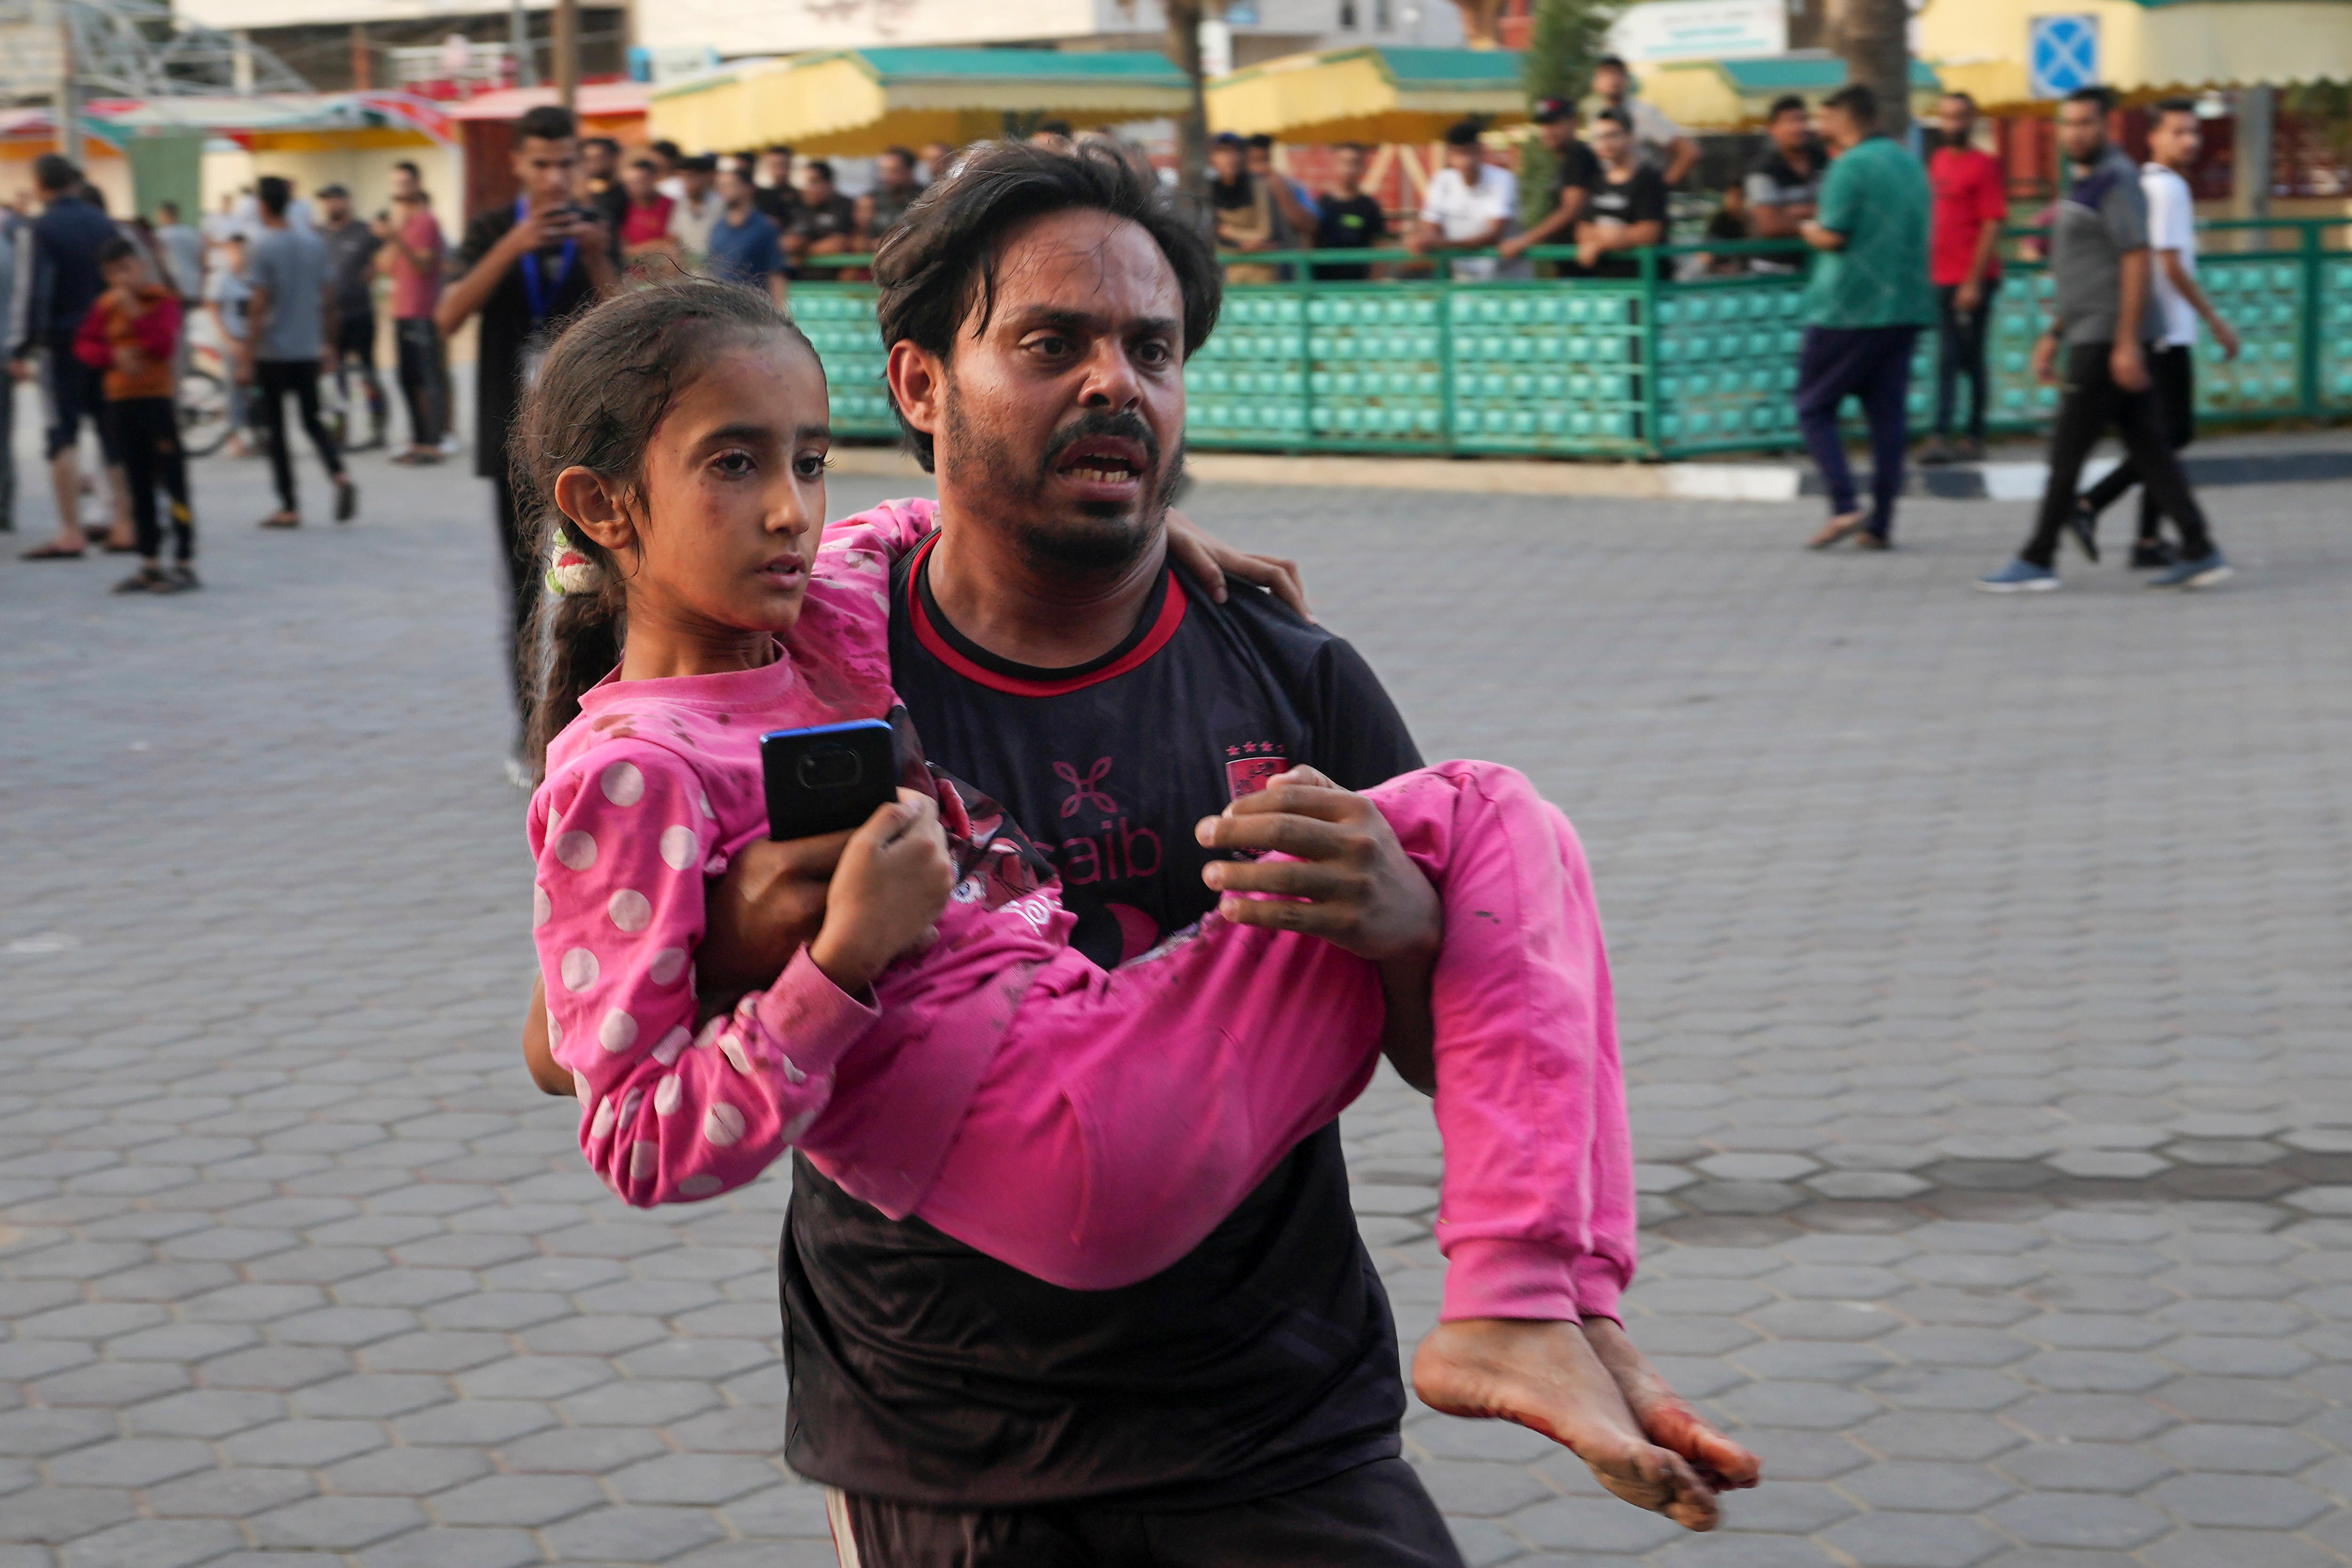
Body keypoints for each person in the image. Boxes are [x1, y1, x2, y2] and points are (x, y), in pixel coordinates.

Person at [517, 144, 1757, 1563]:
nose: (1114, 383)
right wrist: (779, 940)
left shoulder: (1278, 664)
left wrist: (1405, 920)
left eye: (1149, 351)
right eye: (1052, 345)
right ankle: (1527, 1294)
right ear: (921, 388)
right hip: (948, 1439)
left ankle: (1540, 1310)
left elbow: (1460, 1039)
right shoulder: (819, 651)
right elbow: (577, 1044)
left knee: (1482, 832)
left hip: (1273, 1418)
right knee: (1493, 811)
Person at [1978, 87, 2230, 591]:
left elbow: (2136, 259)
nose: (2075, 133)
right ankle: (2198, 546)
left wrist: (2123, 343)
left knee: (2067, 453)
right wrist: (2054, 332)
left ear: (2107, 127)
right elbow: (2085, 271)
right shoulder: (2089, 181)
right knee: (2150, 446)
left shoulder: (2117, 180)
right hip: (2091, 332)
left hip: (2104, 340)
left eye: (2085, 123)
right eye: (2067, 124)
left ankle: (2037, 555)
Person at [436, 102, 620, 776]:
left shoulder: (594, 229)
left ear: (582, 163)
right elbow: (448, 314)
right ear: (518, 165)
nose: (554, 178)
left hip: (586, 440)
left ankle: (591, 724)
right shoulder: (491, 229)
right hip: (509, 439)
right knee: (521, 593)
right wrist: (510, 249)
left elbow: (628, 320)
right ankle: (529, 734)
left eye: (566, 163)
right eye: (540, 164)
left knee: (596, 586)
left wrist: (599, 258)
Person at [2069, 97, 2241, 569]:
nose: (2188, 141)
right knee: (2169, 437)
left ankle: (2146, 541)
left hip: (2154, 330)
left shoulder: (2144, 184)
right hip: (2168, 331)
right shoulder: (2168, 190)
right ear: (2153, 137)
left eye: (2193, 133)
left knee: (2159, 437)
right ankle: (2090, 504)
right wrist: (2214, 318)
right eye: (2177, 132)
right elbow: (2168, 262)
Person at [1794, 84, 1932, 551]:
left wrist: (1807, 230)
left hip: (1847, 309)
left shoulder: (1848, 165)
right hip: (1905, 307)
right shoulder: (1907, 162)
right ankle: (1881, 525)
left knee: (1813, 407)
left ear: (1843, 117)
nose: (1818, 125)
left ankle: (1843, 504)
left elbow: (1833, 235)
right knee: (1886, 418)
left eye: (1823, 115)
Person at [10, 153, 127, 561]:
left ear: (41, 185)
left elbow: (32, 289)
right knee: (111, 431)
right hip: (106, 342)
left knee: (63, 434)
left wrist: (21, 346)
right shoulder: (102, 222)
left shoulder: (39, 229)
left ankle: (71, 530)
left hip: (62, 345)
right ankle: (125, 525)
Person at [75, 237, 193, 593]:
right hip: (120, 402)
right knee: (138, 482)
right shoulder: (104, 306)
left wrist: (137, 314)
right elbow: (85, 343)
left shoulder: (162, 301)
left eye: (127, 268)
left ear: (141, 266)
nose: (122, 279)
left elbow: (163, 344)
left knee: (173, 480)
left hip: (155, 400)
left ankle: (185, 560)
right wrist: (112, 356)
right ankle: (149, 561)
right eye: (113, 273)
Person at [241, 176, 354, 530]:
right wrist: (329, 344)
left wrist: (246, 353)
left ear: (262, 205)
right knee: (311, 420)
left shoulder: (263, 248)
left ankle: (289, 505)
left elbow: (258, 305)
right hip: (307, 349)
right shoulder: (315, 244)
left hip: (273, 353)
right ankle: (339, 475)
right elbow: (330, 301)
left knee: (276, 430)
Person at [1921, 91, 2009, 465]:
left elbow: (1992, 223)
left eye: (1959, 117)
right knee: (1948, 357)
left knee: (1967, 358)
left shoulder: (1984, 165)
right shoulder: (1938, 161)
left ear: (1971, 121)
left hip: (1973, 277)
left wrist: (1973, 281)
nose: (1952, 124)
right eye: (1947, 117)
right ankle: (1944, 433)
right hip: (1941, 276)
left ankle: (1969, 433)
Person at [380, 169, 446, 465]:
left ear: (418, 185)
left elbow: (423, 265)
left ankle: (433, 443)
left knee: (426, 378)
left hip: (423, 311)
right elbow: (384, 266)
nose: (400, 189)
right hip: (402, 310)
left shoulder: (428, 222)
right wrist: (395, 234)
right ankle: (418, 440)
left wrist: (397, 236)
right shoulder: (405, 225)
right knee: (406, 378)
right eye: (396, 184)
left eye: (405, 183)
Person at [317, 184, 386, 452]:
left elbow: (387, 255)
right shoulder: (319, 234)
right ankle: (340, 433)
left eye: (334, 200)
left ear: (346, 202)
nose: (330, 206)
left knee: (369, 373)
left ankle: (377, 427)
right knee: (336, 377)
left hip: (361, 313)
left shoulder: (365, 231)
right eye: (326, 201)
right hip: (332, 317)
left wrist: (377, 270)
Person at [1409, 119, 1523, 280]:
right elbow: (1430, 225)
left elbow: (1494, 234)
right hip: (1463, 282)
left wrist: (1439, 243)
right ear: (1450, 155)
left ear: (1481, 151)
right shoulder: (1442, 181)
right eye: (1460, 153)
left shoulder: (1503, 180)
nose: (1466, 161)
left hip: (1504, 281)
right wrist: (1422, 238)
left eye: (1471, 152)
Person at [1500, 97, 1597, 265]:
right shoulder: (1567, 159)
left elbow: (1571, 210)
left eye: (1554, 123)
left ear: (1573, 123)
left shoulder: (1579, 156)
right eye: (1543, 125)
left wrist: (1523, 241)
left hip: (1585, 264)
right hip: (1572, 261)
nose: (1547, 131)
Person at [1574, 110, 1668, 279]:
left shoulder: (1648, 179)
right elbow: (1583, 229)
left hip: (1644, 284)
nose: (1606, 143)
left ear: (1630, 136)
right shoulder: (1597, 181)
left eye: (1612, 135)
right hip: (1608, 285)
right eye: (1600, 137)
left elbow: (1649, 232)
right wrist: (1603, 239)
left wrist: (1601, 244)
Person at [1588, 54, 1698, 187]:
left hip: (1641, 193)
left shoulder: (1643, 114)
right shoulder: (1595, 115)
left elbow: (1689, 152)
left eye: (1618, 74)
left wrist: (1661, 190)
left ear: (1627, 80)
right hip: (1611, 194)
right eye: (1606, 75)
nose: (1613, 80)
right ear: (1595, 83)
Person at [1743, 94, 1821, 273]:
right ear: (1773, 129)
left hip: (1816, 268)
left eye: (1802, 120)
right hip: (1773, 272)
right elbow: (1770, 226)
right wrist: (1817, 217)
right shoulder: (1761, 169)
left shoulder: (1824, 161)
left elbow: (1838, 210)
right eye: (1789, 122)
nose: (1798, 128)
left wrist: (1790, 212)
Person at [704, 160, 786, 303]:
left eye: (730, 185)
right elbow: (711, 269)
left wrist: (779, 308)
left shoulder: (764, 228)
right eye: (721, 186)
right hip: (720, 306)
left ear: (748, 188)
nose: (724, 190)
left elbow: (776, 272)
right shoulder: (718, 227)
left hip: (754, 307)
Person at [204, 232, 254, 458]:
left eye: (243, 251)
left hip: (249, 341)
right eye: (235, 250)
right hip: (231, 339)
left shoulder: (252, 277)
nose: (240, 255)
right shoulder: (221, 278)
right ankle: (235, 438)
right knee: (234, 389)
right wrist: (229, 340)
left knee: (253, 389)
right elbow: (213, 308)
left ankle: (255, 433)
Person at [1207, 132, 1279, 284]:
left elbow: (1266, 232)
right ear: (1212, 158)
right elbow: (1213, 236)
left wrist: (1230, 233)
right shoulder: (1208, 191)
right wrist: (1242, 243)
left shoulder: (1258, 186)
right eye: (1223, 152)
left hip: (1262, 269)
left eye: (1235, 151)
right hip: (1228, 270)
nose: (1230, 158)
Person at [1311, 142, 1388, 280]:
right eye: (1344, 163)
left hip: (1358, 289)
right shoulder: (1321, 205)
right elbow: (1308, 244)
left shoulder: (1370, 207)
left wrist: (1374, 287)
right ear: (1335, 165)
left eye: (1355, 163)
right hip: (1324, 289)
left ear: (1363, 167)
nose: (1349, 169)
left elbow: (1380, 250)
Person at [782, 159, 858, 272]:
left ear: (828, 184)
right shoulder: (797, 206)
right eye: (805, 183)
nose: (807, 189)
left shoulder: (844, 206)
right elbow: (788, 243)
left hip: (835, 279)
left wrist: (803, 253)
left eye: (813, 183)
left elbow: (839, 244)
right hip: (800, 280)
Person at [1246, 132, 1317, 248]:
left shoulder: (1291, 186)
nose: (1260, 169)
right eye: (1254, 161)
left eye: (1265, 161)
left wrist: (1282, 192)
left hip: (1286, 261)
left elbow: (1310, 227)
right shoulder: (1234, 189)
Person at [857, 145, 925, 247]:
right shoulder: (870, 200)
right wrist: (863, 226)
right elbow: (857, 243)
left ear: (909, 171)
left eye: (894, 171)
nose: (886, 177)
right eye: (883, 171)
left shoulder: (926, 198)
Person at [617, 158, 678, 263]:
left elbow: (673, 244)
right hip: (631, 273)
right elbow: (620, 248)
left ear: (655, 179)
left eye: (641, 181)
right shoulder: (622, 207)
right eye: (631, 182)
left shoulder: (671, 206)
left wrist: (632, 251)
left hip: (662, 273)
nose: (635, 187)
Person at [667, 155, 724, 267]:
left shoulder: (721, 205)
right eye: (682, 178)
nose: (686, 182)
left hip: (717, 271)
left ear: (706, 177)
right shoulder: (681, 205)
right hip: (689, 273)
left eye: (691, 177)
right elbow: (674, 237)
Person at [151, 199, 205, 303]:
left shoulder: (160, 236)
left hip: (173, 285)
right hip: (194, 284)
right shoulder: (193, 234)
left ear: (164, 215)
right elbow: (202, 260)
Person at [582, 135, 628, 229]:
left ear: (615, 158)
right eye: (588, 159)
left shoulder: (630, 195)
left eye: (599, 158)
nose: (593, 164)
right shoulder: (577, 196)